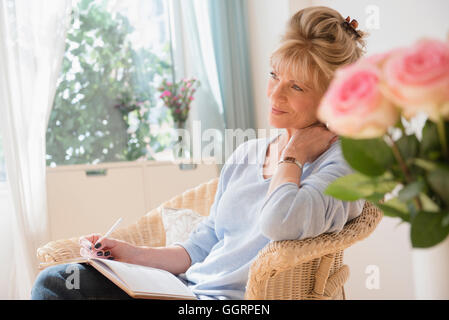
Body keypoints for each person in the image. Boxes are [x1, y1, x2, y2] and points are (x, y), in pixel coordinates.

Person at [31, 6, 367, 300]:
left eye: (296, 86)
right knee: (59, 281)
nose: (274, 94)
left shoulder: (343, 166)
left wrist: (292, 156)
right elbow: (200, 248)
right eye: (274, 75)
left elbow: (279, 221)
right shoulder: (248, 154)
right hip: (185, 289)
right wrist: (128, 254)